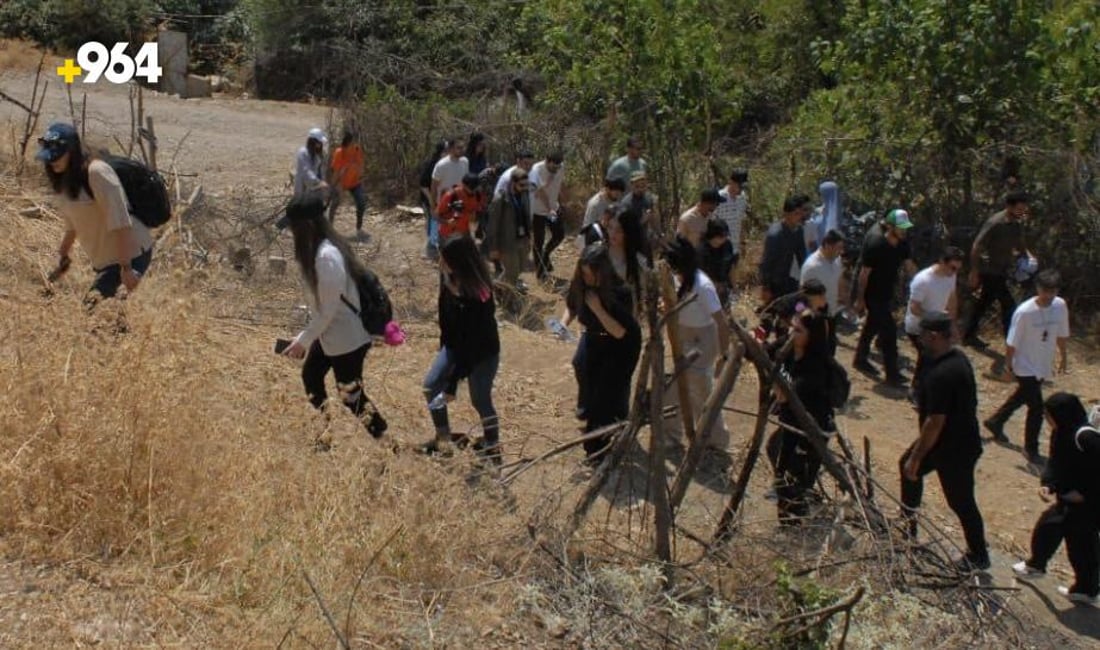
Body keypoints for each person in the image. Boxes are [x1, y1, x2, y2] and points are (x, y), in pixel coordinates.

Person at [281, 195, 381, 437]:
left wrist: (302, 341)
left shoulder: (326, 257)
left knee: (351, 396)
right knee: (311, 376)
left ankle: (385, 441)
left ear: (305, 226)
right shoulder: (320, 250)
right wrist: (306, 337)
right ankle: (324, 432)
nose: (291, 233)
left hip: (347, 338)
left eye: (293, 227)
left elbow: (328, 309)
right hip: (330, 334)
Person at [900, 311, 990, 571]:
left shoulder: (946, 371)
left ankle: (978, 555)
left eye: (924, 336)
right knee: (907, 469)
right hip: (942, 443)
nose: (919, 340)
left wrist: (918, 457)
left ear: (935, 336)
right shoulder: (947, 358)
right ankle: (907, 527)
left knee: (960, 501)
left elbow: (935, 422)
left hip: (955, 448)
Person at [38, 122, 154, 304]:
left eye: (58, 156)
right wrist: (63, 256)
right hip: (105, 261)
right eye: (49, 158)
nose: (53, 162)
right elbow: (72, 225)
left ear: (73, 152)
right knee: (109, 320)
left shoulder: (97, 173)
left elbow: (122, 222)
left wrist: (127, 269)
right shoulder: (64, 180)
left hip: (129, 255)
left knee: (92, 311)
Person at [418, 236, 502, 462]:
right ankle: (443, 439)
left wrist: (453, 383)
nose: (439, 262)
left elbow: (472, 343)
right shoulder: (448, 280)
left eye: (444, 259)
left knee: (480, 400)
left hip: (481, 353)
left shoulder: (480, 294)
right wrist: (445, 357)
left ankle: (492, 445)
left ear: (459, 261)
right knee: (430, 386)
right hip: (455, 347)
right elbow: (447, 324)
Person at [566, 243, 641, 465]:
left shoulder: (621, 293)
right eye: (584, 274)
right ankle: (590, 415)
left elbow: (619, 332)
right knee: (581, 366)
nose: (588, 279)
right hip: (594, 337)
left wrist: (598, 308)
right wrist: (563, 324)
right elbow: (572, 304)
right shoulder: (582, 284)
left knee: (607, 393)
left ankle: (600, 448)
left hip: (620, 346)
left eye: (591, 274)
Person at [984, 270, 1070, 463]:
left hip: (1042, 362)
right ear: (1038, 288)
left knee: (1022, 395)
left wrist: (1063, 357)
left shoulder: (1060, 306)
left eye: (1053, 291)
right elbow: (1012, 342)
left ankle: (996, 421)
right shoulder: (1025, 312)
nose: (1049, 296)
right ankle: (1031, 448)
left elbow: (1062, 334)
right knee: (1037, 407)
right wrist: (1008, 367)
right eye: (1045, 291)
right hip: (1024, 364)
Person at [1012, 393, 1090, 583]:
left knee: (1060, 531)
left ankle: (1036, 566)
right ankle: (1086, 588)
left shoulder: (1086, 437)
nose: (1046, 419)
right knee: (1076, 540)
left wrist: (1085, 495)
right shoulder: (1061, 433)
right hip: (1070, 498)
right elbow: (1055, 463)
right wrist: (1048, 484)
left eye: (1049, 415)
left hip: (1088, 501)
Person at [663, 236, 731, 451]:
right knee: (671, 388)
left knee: (700, 390)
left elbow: (721, 322)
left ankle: (716, 440)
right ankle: (671, 436)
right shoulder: (673, 278)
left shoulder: (703, 286)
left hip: (703, 338)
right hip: (680, 334)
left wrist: (724, 355)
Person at [766, 308, 835, 524]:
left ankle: (794, 523)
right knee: (775, 451)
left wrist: (775, 379)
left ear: (811, 336)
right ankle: (795, 504)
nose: (791, 333)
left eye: (798, 330)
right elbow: (763, 351)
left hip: (809, 432)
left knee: (792, 475)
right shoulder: (788, 347)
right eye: (792, 327)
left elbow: (787, 396)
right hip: (789, 425)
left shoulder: (816, 367)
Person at [963, 191, 1036, 348]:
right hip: (990, 270)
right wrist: (974, 271)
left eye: (1024, 209)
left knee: (984, 302)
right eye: (1019, 209)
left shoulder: (1017, 223)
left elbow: (1020, 243)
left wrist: (1029, 257)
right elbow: (977, 246)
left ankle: (968, 334)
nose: (1022, 212)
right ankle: (1012, 340)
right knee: (1008, 304)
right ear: (1009, 207)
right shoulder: (995, 223)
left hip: (1002, 269)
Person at [853, 208, 916, 386]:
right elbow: (864, 274)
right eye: (900, 228)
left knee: (872, 325)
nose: (904, 231)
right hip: (872, 294)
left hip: (887, 291)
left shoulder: (903, 244)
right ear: (890, 226)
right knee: (889, 333)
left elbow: (909, 266)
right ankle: (892, 374)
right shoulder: (876, 244)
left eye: (905, 228)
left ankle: (860, 358)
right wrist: (860, 299)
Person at [903, 247, 963, 381]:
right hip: (918, 326)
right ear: (942, 261)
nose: (955, 272)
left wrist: (952, 325)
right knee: (929, 356)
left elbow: (952, 299)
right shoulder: (923, 280)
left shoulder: (951, 275)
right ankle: (917, 389)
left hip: (937, 326)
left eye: (958, 269)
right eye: (953, 268)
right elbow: (914, 308)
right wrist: (934, 321)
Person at [486, 167, 533, 293]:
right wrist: (494, 248)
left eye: (526, 185)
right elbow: (492, 225)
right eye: (521, 185)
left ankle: (497, 286)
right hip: (506, 242)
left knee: (520, 267)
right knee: (512, 271)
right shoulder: (500, 199)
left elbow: (526, 215)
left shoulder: (524, 194)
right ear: (513, 183)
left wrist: (529, 236)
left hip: (522, 238)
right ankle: (507, 298)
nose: (524, 187)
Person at [799, 229, 846, 354]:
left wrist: (842, 297)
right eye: (838, 248)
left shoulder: (837, 260)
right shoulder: (812, 267)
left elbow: (839, 278)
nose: (841, 251)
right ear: (827, 245)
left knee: (830, 350)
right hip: (816, 319)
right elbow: (802, 295)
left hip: (832, 314)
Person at [758, 196, 808, 306]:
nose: (800, 217)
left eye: (801, 213)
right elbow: (766, 263)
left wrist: (807, 276)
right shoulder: (775, 235)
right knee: (771, 314)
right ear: (786, 214)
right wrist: (765, 287)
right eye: (796, 213)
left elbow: (802, 256)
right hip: (773, 282)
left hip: (786, 278)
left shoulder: (798, 230)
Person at [428, 138, 469, 259]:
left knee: (460, 235)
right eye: (459, 147)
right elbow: (434, 187)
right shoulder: (441, 165)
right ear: (451, 149)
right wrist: (433, 207)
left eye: (463, 147)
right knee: (445, 238)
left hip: (460, 205)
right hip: (445, 206)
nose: (462, 150)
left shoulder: (465, 162)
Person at [530, 151, 568, 279]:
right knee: (538, 242)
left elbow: (560, 184)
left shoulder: (561, 167)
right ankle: (540, 272)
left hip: (553, 208)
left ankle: (546, 256)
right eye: (553, 167)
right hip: (538, 211)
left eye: (558, 166)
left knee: (559, 235)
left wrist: (561, 202)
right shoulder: (536, 169)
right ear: (547, 161)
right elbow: (539, 193)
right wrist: (549, 209)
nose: (556, 169)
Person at [327, 131, 369, 241]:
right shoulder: (339, 153)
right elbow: (336, 173)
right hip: (340, 182)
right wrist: (338, 188)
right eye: (353, 142)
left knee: (361, 203)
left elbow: (361, 168)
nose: (355, 144)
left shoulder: (357, 150)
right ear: (348, 143)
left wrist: (358, 171)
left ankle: (359, 229)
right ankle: (328, 228)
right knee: (334, 204)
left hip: (354, 183)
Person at [715, 169, 749, 269]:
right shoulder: (719, 197)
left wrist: (742, 243)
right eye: (739, 186)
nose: (741, 189)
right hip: (719, 249)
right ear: (731, 182)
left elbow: (741, 221)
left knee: (732, 280)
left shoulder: (742, 198)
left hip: (735, 248)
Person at [699, 219, 738, 308]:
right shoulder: (702, 251)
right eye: (721, 237)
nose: (724, 239)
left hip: (724, 287)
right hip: (707, 290)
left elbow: (731, 267)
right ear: (713, 235)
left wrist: (734, 286)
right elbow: (701, 275)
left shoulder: (727, 245)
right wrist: (714, 285)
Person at [436, 173, 486, 240]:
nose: (473, 190)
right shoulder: (451, 195)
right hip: (448, 234)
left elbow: (480, 213)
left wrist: (478, 225)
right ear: (463, 184)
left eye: (475, 188)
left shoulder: (478, 196)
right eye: (471, 187)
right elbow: (436, 216)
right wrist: (447, 222)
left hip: (464, 233)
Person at [419, 140, 447, 250]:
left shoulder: (446, 164)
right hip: (428, 197)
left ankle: (436, 244)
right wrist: (431, 199)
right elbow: (423, 184)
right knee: (432, 219)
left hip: (441, 198)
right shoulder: (431, 164)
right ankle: (431, 247)